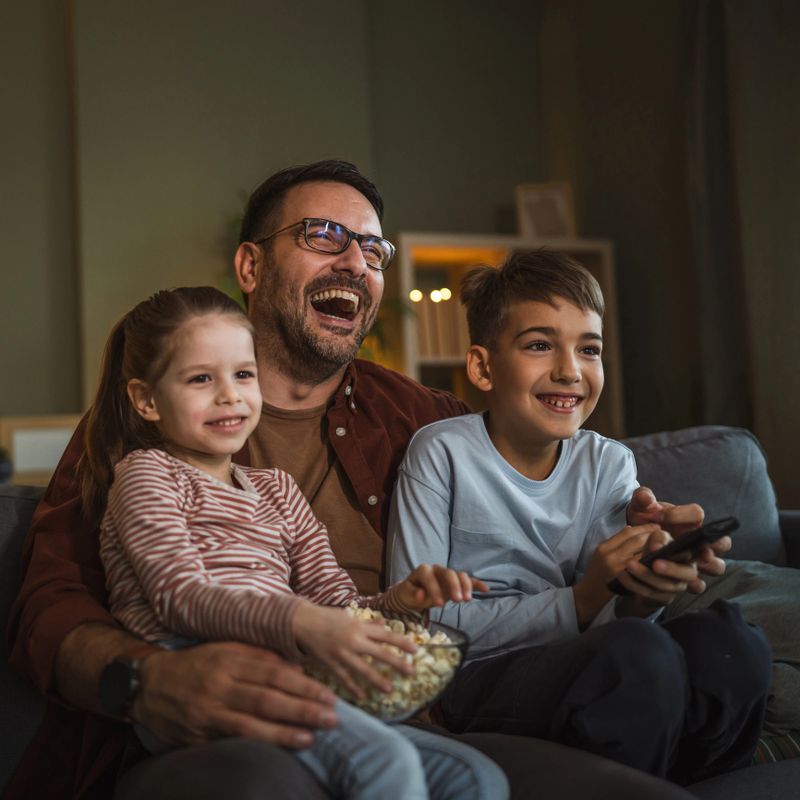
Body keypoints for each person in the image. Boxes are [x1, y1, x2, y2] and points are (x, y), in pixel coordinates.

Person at [7, 159, 701, 800]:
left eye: (372, 250)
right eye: (325, 236)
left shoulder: (424, 418)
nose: (355, 262)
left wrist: (632, 535)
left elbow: (538, 490)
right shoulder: (143, 434)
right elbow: (48, 607)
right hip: (210, 728)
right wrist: (146, 680)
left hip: (396, 717)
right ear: (250, 263)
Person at [79, 284, 507, 800]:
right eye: (199, 379)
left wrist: (400, 602)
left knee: (475, 778)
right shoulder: (147, 476)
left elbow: (337, 607)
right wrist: (299, 620)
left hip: (292, 672)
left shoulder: (276, 490)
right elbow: (179, 597)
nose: (229, 395)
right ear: (147, 400)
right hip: (206, 680)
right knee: (385, 764)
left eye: (243, 374)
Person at [387, 250, 772, 785]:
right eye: (540, 345)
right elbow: (420, 626)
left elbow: (618, 617)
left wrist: (645, 586)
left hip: (594, 661)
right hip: (471, 678)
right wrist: (582, 599)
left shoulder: (608, 462)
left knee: (733, 642)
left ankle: (676, 780)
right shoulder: (442, 453)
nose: (569, 371)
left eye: (588, 349)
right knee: (634, 657)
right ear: (482, 366)